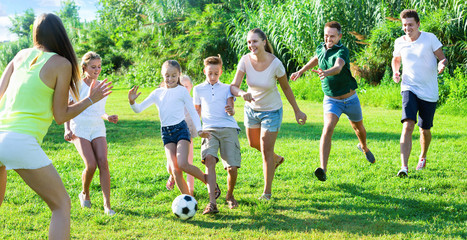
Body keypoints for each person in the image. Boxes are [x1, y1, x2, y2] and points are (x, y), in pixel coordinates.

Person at [0, 13, 112, 239]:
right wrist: (91, 99)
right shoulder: (63, 64)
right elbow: (60, 116)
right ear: (61, 34)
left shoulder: (21, 55)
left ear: (36, 33)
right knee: (61, 205)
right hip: (21, 141)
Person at [290, 21, 375, 182]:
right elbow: (316, 58)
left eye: (332, 36)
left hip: (350, 99)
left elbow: (338, 67)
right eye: (326, 36)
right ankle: (323, 168)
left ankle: (363, 146)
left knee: (359, 129)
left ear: (339, 36)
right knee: (327, 128)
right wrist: (301, 71)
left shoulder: (342, 51)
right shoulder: (321, 47)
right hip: (331, 100)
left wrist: (326, 73)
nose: (329, 39)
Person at [231, 28, 307, 200]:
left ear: (264, 42)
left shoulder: (276, 64)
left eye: (255, 41)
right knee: (253, 143)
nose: (251, 45)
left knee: (266, 150)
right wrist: (243, 94)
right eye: (249, 42)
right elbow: (234, 86)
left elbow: (286, 88)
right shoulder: (245, 60)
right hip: (251, 110)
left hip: (271, 111)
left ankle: (267, 192)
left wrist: (297, 110)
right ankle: (277, 159)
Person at [128, 60, 217, 196]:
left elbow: (192, 112)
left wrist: (199, 130)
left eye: (174, 75)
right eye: (167, 75)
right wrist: (132, 102)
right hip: (167, 133)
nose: (170, 79)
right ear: (162, 75)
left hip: (181, 130)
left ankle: (208, 181)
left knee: (182, 164)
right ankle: (188, 199)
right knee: (175, 171)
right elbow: (139, 109)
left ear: (179, 75)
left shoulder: (182, 91)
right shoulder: (157, 93)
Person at [391, 9, 447, 177]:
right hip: (409, 87)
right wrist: (396, 71)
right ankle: (404, 167)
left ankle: (422, 156)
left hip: (429, 91)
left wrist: (441, 65)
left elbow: (442, 57)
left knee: (425, 129)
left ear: (418, 24)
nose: (407, 28)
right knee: (407, 125)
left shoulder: (429, 38)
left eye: (410, 25)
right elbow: (396, 59)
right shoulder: (399, 41)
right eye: (404, 25)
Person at [64, 52, 118, 215]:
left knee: (103, 162)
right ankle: (85, 193)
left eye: (99, 66)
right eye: (93, 67)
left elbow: (99, 111)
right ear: (84, 67)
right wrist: (67, 129)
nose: (97, 70)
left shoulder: (102, 86)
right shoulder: (75, 85)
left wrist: (108, 117)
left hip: (97, 126)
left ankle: (107, 205)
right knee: (91, 165)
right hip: (79, 127)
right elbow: (67, 110)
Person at [194, 55, 241, 214]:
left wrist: (231, 110)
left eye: (216, 73)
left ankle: (229, 195)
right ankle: (212, 203)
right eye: (209, 73)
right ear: (204, 71)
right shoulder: (198, 89)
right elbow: (196, 111)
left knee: (232, 168)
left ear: (221, 72)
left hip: (228, 127)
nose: (213, 77)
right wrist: (198, 129)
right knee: (209, 160)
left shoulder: (227, 88)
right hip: (209, 129)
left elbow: (231, 108)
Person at [165, 75, 195, 196]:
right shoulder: (172, 101)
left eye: (186, 86)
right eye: (181, 86)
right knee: (171, 165)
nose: (184, 89)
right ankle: (172, 175)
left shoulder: (193, 101)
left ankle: (190, 190)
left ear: (191, 87)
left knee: (188, 162)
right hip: (172, 135)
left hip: (188, 134)